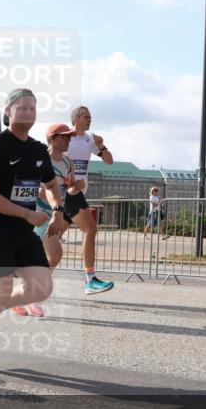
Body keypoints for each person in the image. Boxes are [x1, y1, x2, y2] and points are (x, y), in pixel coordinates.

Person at [0, 88, 66, 374]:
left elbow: (51, 185)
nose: (28, 112)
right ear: (8, 112)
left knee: (42, 287)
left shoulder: (36, 150)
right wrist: (27, 213)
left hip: (24, 229)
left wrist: (57, 209)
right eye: (21, 107)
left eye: (32, 108)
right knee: (0, 293)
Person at [12, 122, 79, 318]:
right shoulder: (41, 158)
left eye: (69, 137)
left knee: (51, 256)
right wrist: (37, 191)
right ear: (52, 139)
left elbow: (69, 186)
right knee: (50, 253)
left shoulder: (68, 163)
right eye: (64, 137)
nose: (68, 140)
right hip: (39, 213)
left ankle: (25, 294)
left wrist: (76, 188)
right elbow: (23, 182)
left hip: (55, 213)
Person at [66, 105, 115, 294]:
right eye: (86, 117)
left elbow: (109, 161)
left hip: (77, 192)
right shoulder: (64, 137)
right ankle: (91, 279)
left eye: (91, 117)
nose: (90, 120)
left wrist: (101, 146)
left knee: (53, 244)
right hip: (68, 193)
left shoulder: (90, 138)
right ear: (76, 119)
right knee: (91, 229)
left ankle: (30, 280)